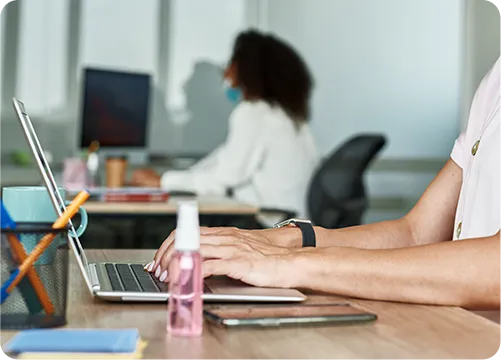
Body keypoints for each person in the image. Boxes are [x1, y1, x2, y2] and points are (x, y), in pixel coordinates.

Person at [146, 54, 501, 310]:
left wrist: (291, 264)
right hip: (460, 329)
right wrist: (292, 238)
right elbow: (417, 233)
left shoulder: (257, 114)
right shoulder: (494, 82)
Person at [131, 29, 319, 222]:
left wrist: (163, 181)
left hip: (267, 225)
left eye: (232, 62)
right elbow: (219, 160)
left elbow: (225, 177)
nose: (226, 72)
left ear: (248, 69)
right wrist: (169, 179)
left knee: (164, 226)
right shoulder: (289, 118)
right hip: (294, 224)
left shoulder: (254, 113)